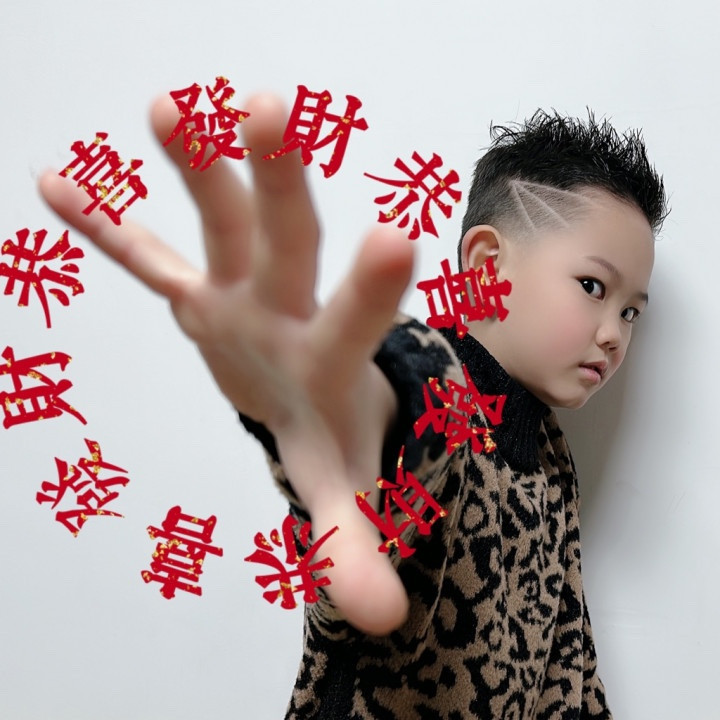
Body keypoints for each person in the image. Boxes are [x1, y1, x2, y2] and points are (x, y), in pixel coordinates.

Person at [39, 94, 668, 719]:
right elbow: (396, 405)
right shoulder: (432, 392)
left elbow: (569, 668)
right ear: (486, 265)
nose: (614, 333)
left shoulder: (551, 460)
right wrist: (345, 415)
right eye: (592, 286)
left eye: (631, 312)